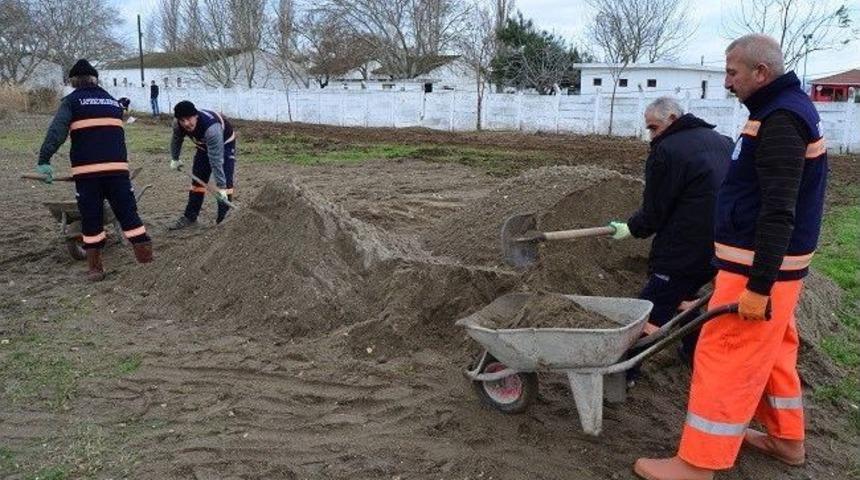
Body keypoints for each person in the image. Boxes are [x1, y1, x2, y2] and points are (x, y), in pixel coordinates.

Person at [633, 34, 827, 480]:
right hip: (774, 267)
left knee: (725, 354)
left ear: (761, 73)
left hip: (761, 270)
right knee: (776, 350)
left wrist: (758, 287)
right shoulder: (782, 111)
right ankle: (786, 440)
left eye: (732, 72)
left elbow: (780, 209)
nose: (726, 82)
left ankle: (698, 463)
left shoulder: (780, 120)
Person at [609, 97, 732, 367]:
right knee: (686, 298)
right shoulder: (723, 142)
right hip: (721, 248)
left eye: (653, 128)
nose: (651, 136)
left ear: (673, 119)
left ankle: (621, 373)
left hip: (683, 250)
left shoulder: (666, 151)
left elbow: (655, 212)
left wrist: (631, 227)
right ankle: (695, 356)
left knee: (649, 311)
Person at [36, 59, 153, 281]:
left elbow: (56, 132)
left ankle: (95, 269)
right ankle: (146, 261)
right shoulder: (112, 102)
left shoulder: (71, 102)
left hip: (87, 173)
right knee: (128, 214)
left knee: (91, 218)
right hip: (118, 170)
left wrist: (44, 159)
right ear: (95, 80)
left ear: (73, 81)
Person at [167, 100, 236, 229]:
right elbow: (176, 139)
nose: (186, 123)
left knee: (225, 181)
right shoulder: (177, 124)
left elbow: (216, 160)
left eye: (189, 119)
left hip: (224, 143)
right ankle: (190, 216)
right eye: (182, 120)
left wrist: (221, 187)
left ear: (196, 115)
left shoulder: (212, 129)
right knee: (198, 179)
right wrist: (175, 158)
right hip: (203, 145)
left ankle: (223, 221)